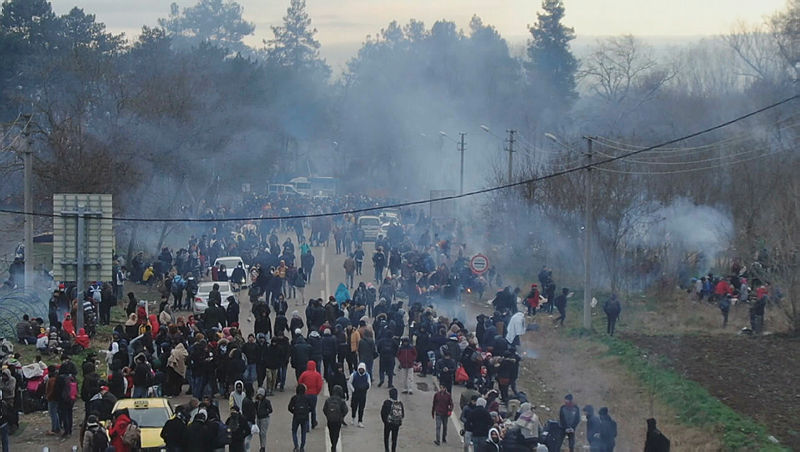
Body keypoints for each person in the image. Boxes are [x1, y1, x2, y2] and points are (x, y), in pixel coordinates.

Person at [297, 360, 323, 429]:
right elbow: (320, 385)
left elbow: (300, 382)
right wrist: (316, 392)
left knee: (306, 410)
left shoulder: (304, 374)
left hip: (305, 394)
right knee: (313, 409)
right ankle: (313, 422)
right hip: (313, 394)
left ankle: (307, 425)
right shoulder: (317, 375)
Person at [323, 385, 348, 452]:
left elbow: (324, 409)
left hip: (330, 420)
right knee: (336, 434)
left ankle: (332, 444)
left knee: (331, 433)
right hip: (338, 420)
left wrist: (328, 416)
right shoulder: (341, 401)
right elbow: (345, 410)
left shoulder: (328, 400)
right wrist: (341, 417)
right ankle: (334, 445)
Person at [347, 362, 371, 427]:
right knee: (354, 406)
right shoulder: (354, 375)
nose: (361, 370)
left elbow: (369, 384)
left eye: (362, 369)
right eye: (360, 369)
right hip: (355, 394)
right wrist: (353, 390)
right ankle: (353, 417)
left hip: (363, 395)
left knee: (361, 408)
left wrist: (365, 389)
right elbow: (349, 383)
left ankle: (360, 421)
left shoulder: (367, 375)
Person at [288, 384, 311, 452]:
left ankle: (296, 446)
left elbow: (289, 407)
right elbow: (311, 407)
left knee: (294, 431)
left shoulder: (294, 398)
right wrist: (307, 412)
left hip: (296, 416)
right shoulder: (307, 398)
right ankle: (302, 447)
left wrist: (294, 412)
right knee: (303, 432)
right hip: (305, 417)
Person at [380, 387, 404, 452]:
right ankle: (393, 450)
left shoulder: (387, 402)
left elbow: (382, 413)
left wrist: (385, 421)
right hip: (396, 424)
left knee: (386, 437)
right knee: (394, 439)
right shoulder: (400, 403)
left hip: (388, 423)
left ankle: (387, 449)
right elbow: (402, 415)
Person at [255, 388, 273, 452]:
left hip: (265, 418)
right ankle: (261, 445)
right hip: (259, 418)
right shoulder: (257, 402)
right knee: (260, 433)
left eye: (261, 395)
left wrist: (265, 412)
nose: (259, 396)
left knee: (263, 433)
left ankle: (263, 446)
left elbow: (270, 410)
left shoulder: (267, 402)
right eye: (259, 395)